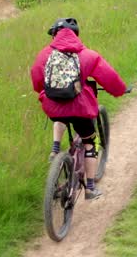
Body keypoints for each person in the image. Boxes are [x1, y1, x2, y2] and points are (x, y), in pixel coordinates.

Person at [30, 17, 128, 200]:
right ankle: (90, 188)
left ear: (55, 35)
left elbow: (36, 78)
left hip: (53, 106)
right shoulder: (87, 55)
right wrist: (120, 90)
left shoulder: (45, 54)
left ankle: (55, 148)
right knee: (91, 142)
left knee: (59, 115)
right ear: (76, 35)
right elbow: (108, 76)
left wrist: (45, 92)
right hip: (80, 110)